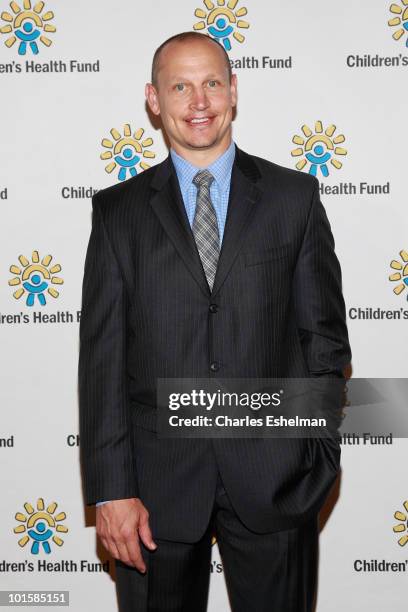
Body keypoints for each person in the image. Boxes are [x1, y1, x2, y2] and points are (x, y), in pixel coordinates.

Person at [79, 31, 351, 612]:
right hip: (155, 491)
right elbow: (102, 364)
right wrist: (111, 490)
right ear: (154, 99)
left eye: (211, 84)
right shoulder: (117, 212)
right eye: (180, 86)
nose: (198, 101)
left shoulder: (293, 198)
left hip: (276, 480)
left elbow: (325, 341)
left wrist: (315, 454)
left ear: (233, 92)